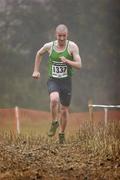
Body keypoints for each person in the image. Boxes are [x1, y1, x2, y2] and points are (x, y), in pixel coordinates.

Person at [32, 24, 82, 144]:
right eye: (59, 36)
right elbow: (39, 54)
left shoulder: (72, 47)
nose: (61, 39)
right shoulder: (49, 46)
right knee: (54, 99)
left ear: (67, 35)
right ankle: (54, 122)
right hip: (53, 80)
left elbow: (79, 65)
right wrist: (36, 70)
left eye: (64, 36)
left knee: (64, 109)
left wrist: (67, 61)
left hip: (66, 81)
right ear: (56, 35)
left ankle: (62, 134)